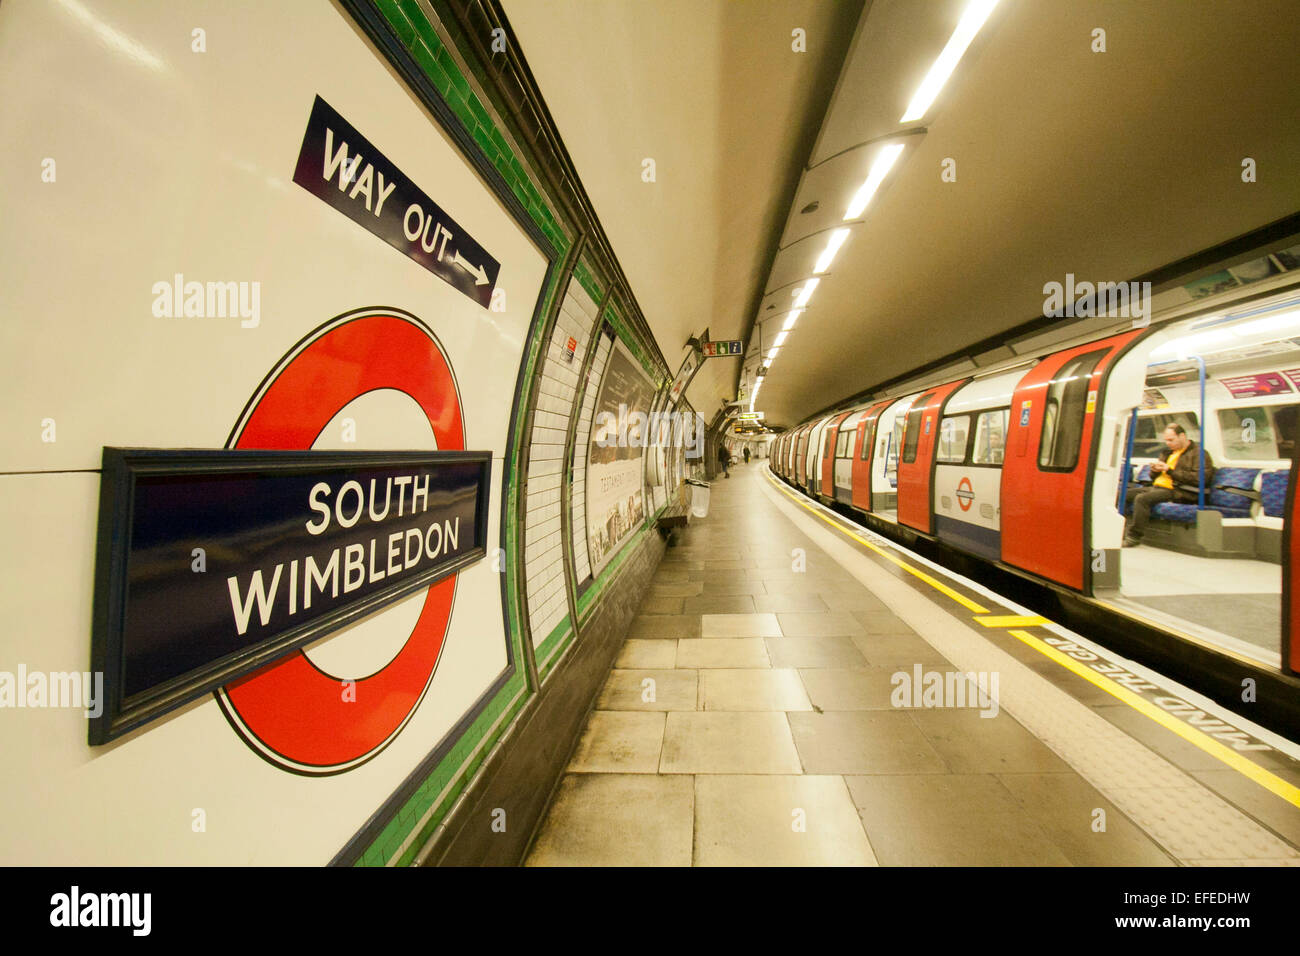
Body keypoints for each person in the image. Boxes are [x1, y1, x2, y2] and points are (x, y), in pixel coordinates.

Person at [1123, 423, 1215, 546]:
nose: (1168, 443)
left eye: (1171, 440)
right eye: (1166, 440)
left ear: (1182, 436)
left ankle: (1134, 537)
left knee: (1142, 499)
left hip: (1179, 490)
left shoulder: (1198, 454)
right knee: (1122, 494)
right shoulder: (1167, 453)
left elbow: (1200, 478)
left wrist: (1169, 470)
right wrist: (1155, 471)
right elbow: (1153, 477)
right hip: (1157, 487)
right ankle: (1118, 531)